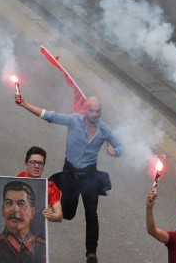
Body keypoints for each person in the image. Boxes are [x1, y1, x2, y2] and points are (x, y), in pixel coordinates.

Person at [15, 94, 123, 263]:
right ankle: (46, 214)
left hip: (90, 177)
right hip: (70, 175)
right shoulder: (73, 121)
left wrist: (116, 152)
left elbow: (120, 145)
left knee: (91, 214)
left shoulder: (104, 129)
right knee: (68, 213)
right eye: (92, 110)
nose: (95, 114)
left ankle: (91, 253)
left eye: (98, 111)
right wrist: (25, 104)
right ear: (85, 110)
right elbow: (50, 116)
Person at [0, 146, 63, 223]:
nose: (36, 166)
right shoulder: (19, 179)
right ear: (26, 164)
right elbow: (1, 207)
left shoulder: (50, 187)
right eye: (33, 162)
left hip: (36, 232)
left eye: (40, 163)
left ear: (43, 166)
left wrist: (51, 216)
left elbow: (59, 215)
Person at [0, 180, 46, 263]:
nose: (14, 209)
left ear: (32, 213)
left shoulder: (43, 247)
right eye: (9, 203)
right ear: (2, 210)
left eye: (20, 204)